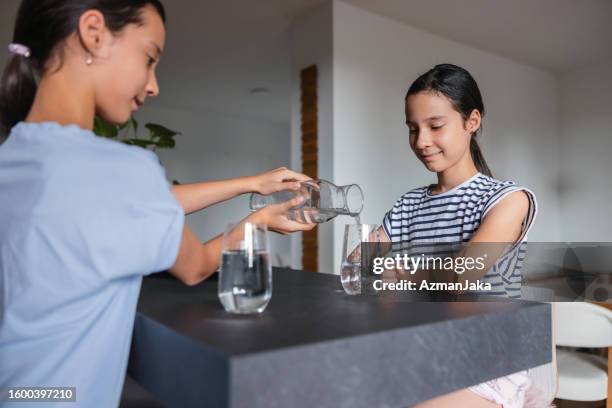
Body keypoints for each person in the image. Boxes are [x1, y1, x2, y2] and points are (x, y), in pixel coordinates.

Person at [0, 1, 313, 406]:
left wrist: (252, 182)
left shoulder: (17, 161)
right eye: (149, 58)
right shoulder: (122, 172)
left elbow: (138, 202)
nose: (153, 85)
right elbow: (195, 265)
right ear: (93, 32)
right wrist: (259, 222)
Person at [377, 64, 551, 407]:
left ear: (472, 121)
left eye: (435, 126)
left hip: (486, 361)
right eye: (413, 129)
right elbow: (364, 263)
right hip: (419, 348)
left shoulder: (508, 199)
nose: (421, 141)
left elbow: (461, 274)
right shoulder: (408, 202)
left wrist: (399, 274)